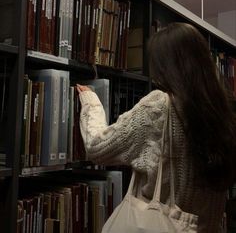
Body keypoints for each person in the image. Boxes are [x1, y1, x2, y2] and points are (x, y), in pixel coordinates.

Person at [76, 23, 236, 232]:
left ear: (165, 66)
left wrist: (90, 102)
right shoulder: (223, 112)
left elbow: (97, 147)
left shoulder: (160, 107)